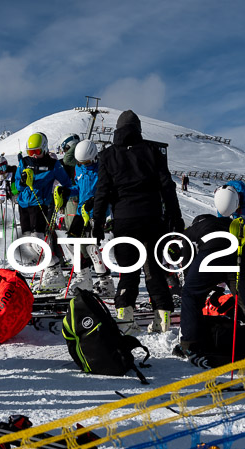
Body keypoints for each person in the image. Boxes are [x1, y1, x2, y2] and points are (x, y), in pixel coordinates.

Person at [91, 110, 184, 334]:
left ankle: (125, 320)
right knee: (153, 269)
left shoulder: (107, 156)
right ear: (138, 129)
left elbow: (102, 192)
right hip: (152, 220)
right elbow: (167, 187)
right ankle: (162, 319)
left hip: (123, 221)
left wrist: (97, 222)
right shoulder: (153, 152)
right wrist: (175, 217)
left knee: (128, 271)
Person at [174, 214, 245, 372]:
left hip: (211, 254)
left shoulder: (193, 229)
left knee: (190, 296)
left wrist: (194, 284)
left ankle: (189, 345)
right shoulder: (228, 222)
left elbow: (188, 258)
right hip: (240, 256)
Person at [55, 140, 115, 297]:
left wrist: (95, 202)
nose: (84, 164)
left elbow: (108, 191)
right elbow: (79, 188)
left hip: (97, 211)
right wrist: (66, 191)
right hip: (81, 210)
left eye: (87, 161)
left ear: (94, 157)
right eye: (81, 162)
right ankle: (84, 276)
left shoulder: (102, 169)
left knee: (90, 245)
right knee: (70, 242)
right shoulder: (79, 168)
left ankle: (105, 282)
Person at [15, 132, 72, 291]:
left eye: (37, 152)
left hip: (40, 203)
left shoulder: (53, 165)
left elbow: (66, 182)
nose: (34, 156)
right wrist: (22, 181)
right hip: (24, 204)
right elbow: (18, 187)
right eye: (31, 152)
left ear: (45, 149)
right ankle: (49, 267)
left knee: (38, 239)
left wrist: (63, 193)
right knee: (28, 240)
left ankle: (53, 267)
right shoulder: (25, 162)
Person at [57, 133, 81, 232]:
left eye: (66, 149)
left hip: (74, 196)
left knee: (73, 225)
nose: (65, 152)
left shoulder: (77, 160)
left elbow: (67, 160)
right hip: (70, 195)